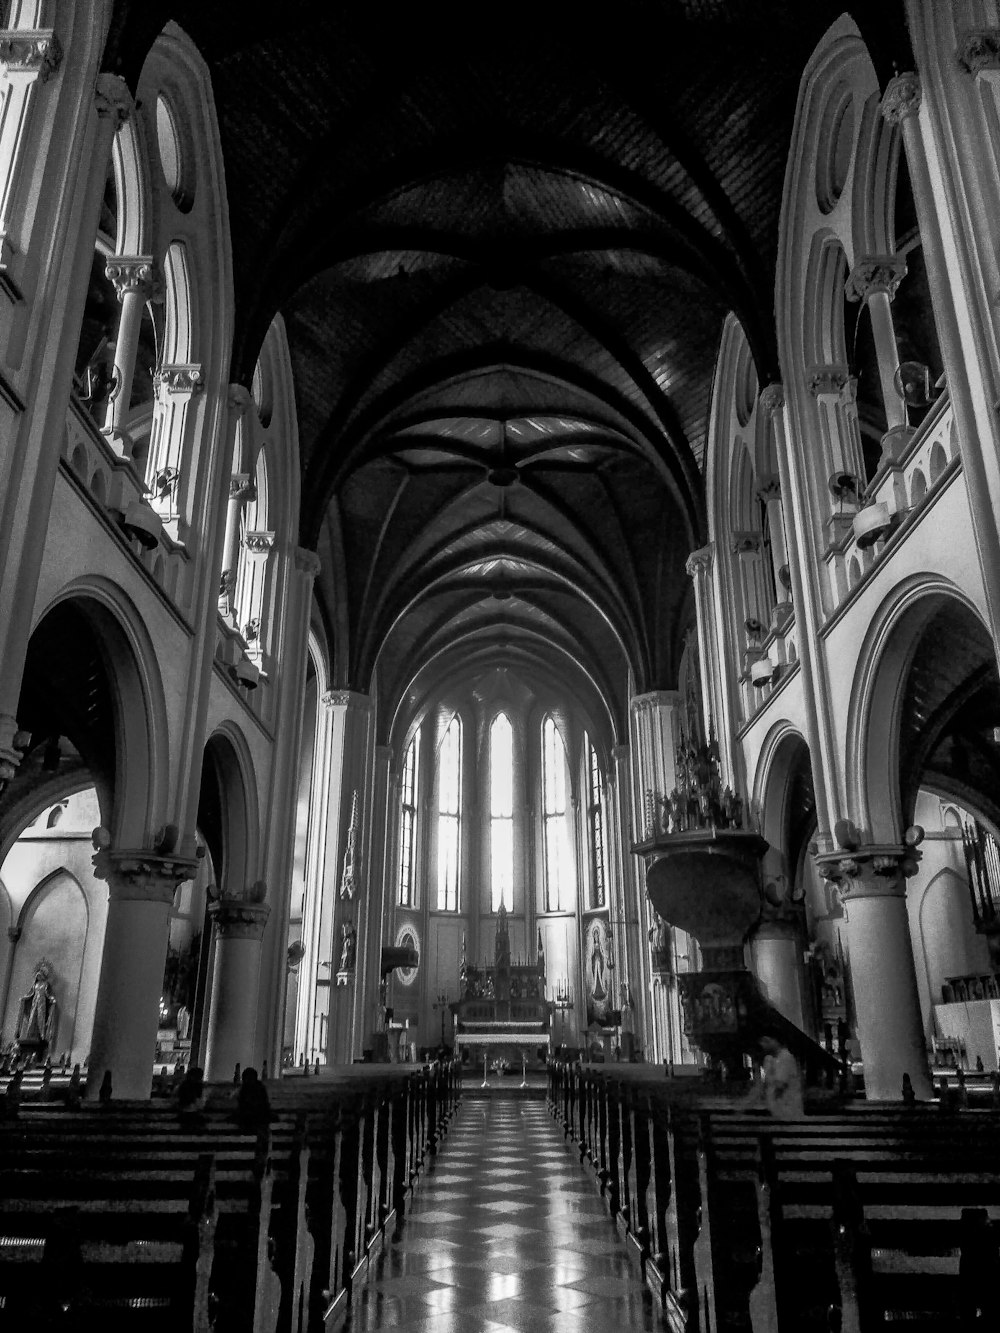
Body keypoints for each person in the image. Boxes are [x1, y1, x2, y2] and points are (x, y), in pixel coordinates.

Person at [753, 1035, 804, 1119]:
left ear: (775, 1041)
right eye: (761, 1042)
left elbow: (779, 1085)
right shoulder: (771, 1059)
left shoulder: (785, 1057)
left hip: (789, 1114)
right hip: (778, 1112)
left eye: (766, 1041)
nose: (763, 1044)